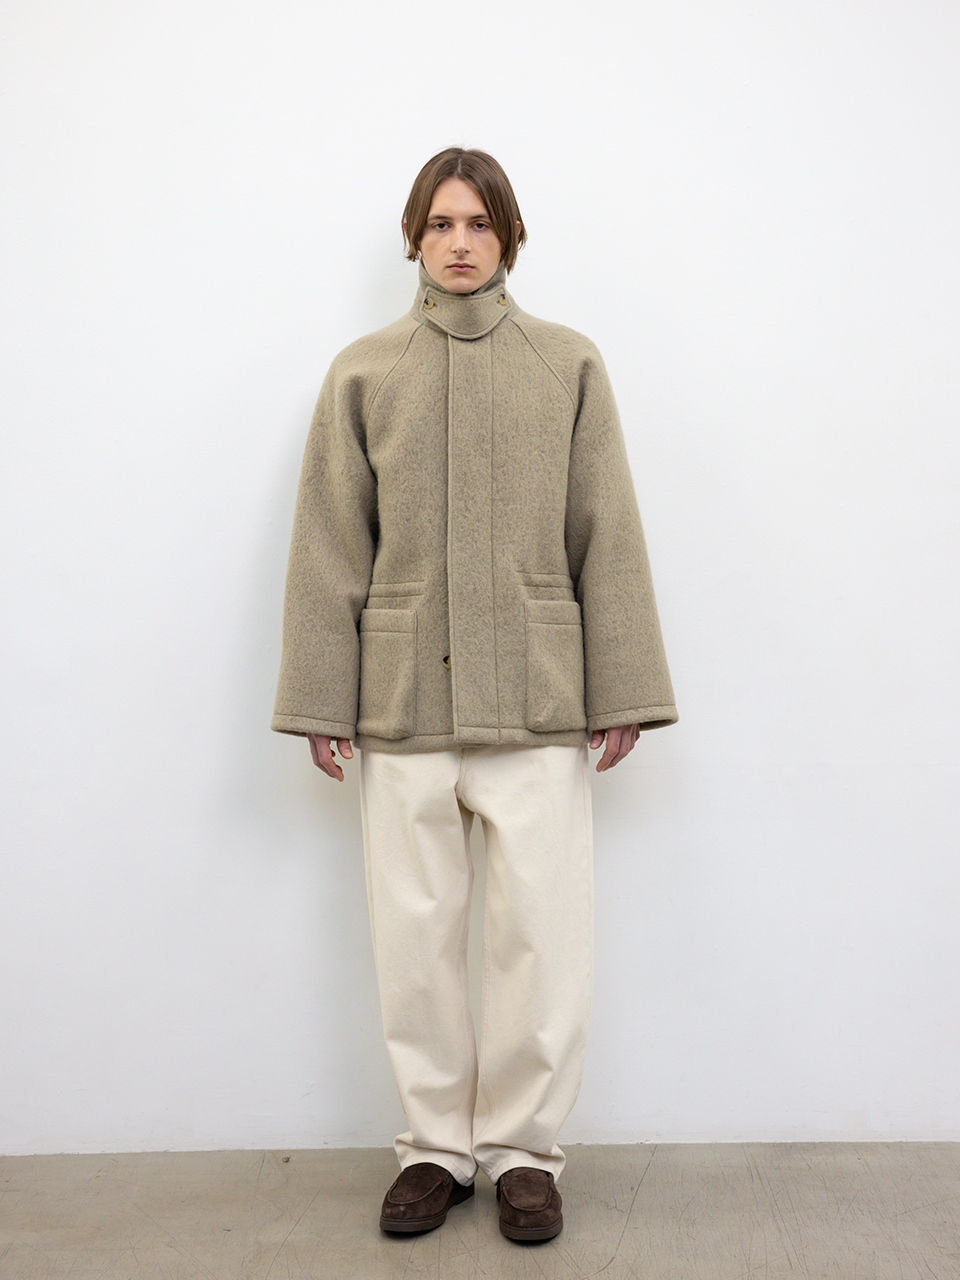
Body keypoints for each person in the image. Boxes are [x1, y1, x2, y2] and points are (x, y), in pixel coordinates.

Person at [272, 147, 677, 1243]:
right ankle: (436, 1150)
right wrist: (321, 699)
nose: (460, 243)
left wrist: (623, 685)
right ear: (415, 236)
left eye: (480, 224)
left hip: (540, 701)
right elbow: (329, 543)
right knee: (415, 942)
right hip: (404, 702)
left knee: (540, 939)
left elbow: (606, 529)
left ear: (510, 237)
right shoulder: (364, 372)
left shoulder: (568, 363)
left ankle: (524, 1154)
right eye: (442, 223)